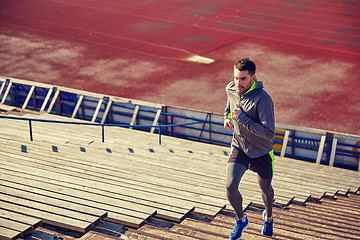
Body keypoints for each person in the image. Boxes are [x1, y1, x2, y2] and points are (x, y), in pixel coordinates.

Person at [224, 58, 275, 239]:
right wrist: (228, 117)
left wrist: (241, 118)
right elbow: (229, 105)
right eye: (236, 78)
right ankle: (241, 219)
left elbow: (269, 133)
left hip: (261, 152)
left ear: (253, 78)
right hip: (240, 146)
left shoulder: (263, 99)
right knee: (230, 186)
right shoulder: (231, 88)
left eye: (243, 79)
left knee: (266, 191)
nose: (238, 83)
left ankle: (268, 217)